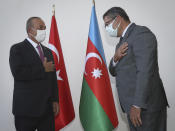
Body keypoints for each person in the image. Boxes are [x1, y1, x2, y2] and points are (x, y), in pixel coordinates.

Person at [103, 7, 169, 131]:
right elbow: (113, 71)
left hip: (146, 108)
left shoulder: (140, 34)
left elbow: (145, 71)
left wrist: (137, 105)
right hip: (132, 108)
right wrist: (115, 59)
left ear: (118, 19)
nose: (106, 29)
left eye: (107, 24)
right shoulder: (121, 42)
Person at [9, 17, 59, 131]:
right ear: (30, 30)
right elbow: (18, 73)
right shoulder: (17, 49)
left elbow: (52, 78)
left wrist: (55, 100)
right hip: (26, 110)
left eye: (44, 28)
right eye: (40, 28)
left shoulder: (48, 51)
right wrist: (42, 68)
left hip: (46, 110)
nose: (44, 30)